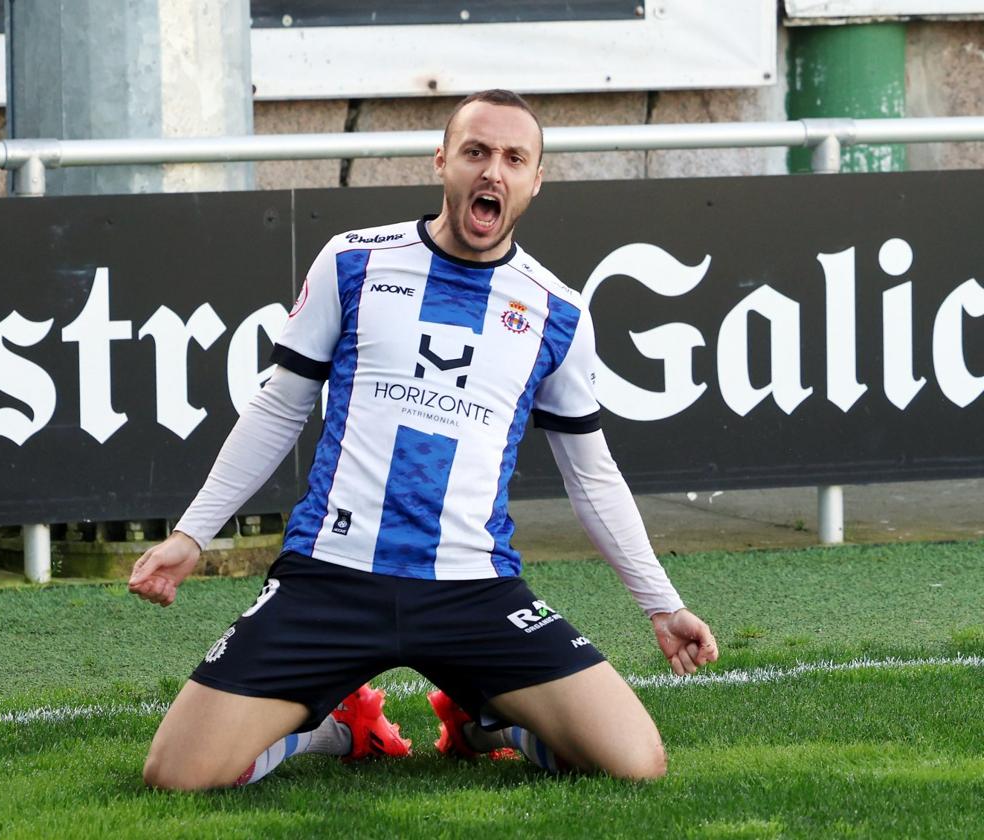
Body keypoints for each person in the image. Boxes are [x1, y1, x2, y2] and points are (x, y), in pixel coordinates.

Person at [129, 89, 719, 791]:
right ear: (443, 161)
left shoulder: (558, 311)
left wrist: (660, 603)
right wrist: (192, 536)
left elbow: (592, 475)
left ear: (535, 180)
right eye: (475, 152)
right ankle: (333, 726)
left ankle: (481, 722)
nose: (491, 171)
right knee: (176, 776)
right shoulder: (352, 262)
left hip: (475, 591)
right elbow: (279, 407)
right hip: (331, 577)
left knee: (635, 763)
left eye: (513, 158)